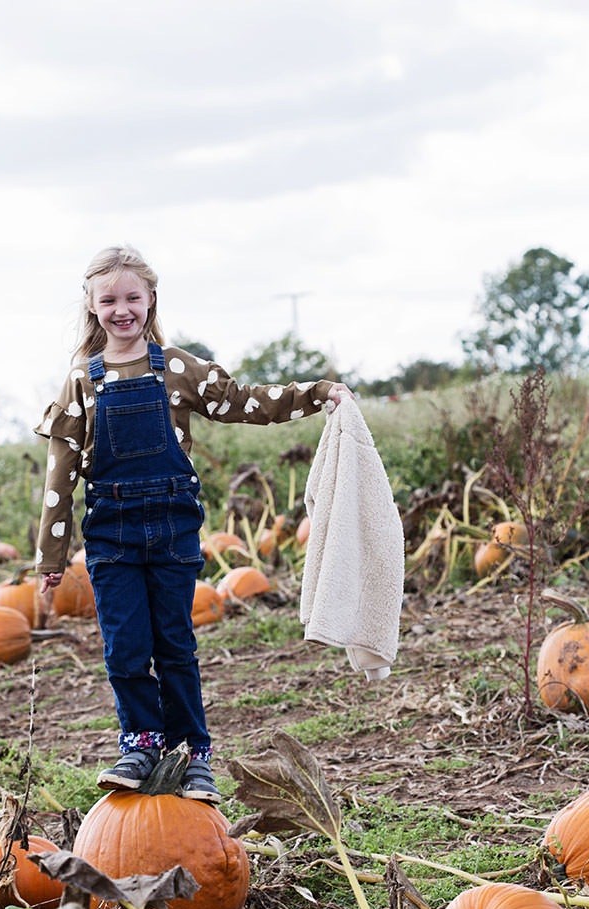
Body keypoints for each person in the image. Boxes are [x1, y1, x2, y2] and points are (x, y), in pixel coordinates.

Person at [35, 245, 352, 802]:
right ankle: (140, 743)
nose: (122, 310)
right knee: (125, 648)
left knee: (176, 645)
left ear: (151, 299)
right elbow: (61, 474)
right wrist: (51, 558)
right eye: (109, 299)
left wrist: (315, 394)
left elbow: (243, 402)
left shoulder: (176, 367)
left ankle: (191, 752)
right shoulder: (81, 382)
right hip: (110, 536)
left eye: (133, 297)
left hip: (173, 531)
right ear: (90, 305)